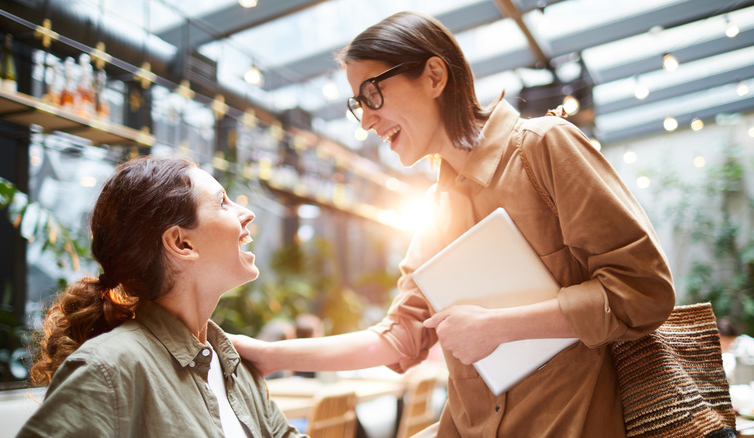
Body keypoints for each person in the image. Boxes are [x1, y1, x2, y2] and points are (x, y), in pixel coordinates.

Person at [231, 11, 675, 437]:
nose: (365, 121)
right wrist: (271, 356)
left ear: (434, 76)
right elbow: (400, 335)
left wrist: (498, 327)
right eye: (357, 105)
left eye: (371, 95)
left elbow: (643, 291)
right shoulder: (435, 209)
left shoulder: (543, 148)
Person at [18, 156, 305, 438]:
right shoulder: (110, 367)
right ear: (182, 243)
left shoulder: (235, 367)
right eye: (222, 203)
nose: (247, 212)